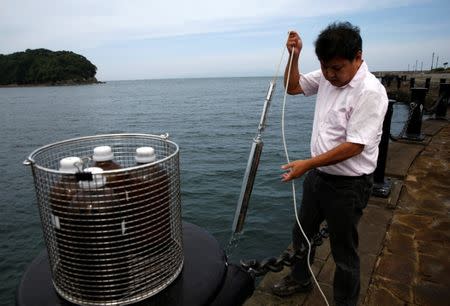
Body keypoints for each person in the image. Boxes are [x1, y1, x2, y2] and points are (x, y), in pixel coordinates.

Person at [271, 22, 388, 306]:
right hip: (318, 178)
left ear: (357, 57)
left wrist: (308, 164)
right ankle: (300, 278)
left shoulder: (370, 92)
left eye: (336, 68)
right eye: (324, 67)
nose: (329, 74)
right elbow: (293, 87)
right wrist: (294, 56)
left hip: (349, 185)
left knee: (344, 250)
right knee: (302, 233)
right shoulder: (326, 76)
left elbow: (355, 145)